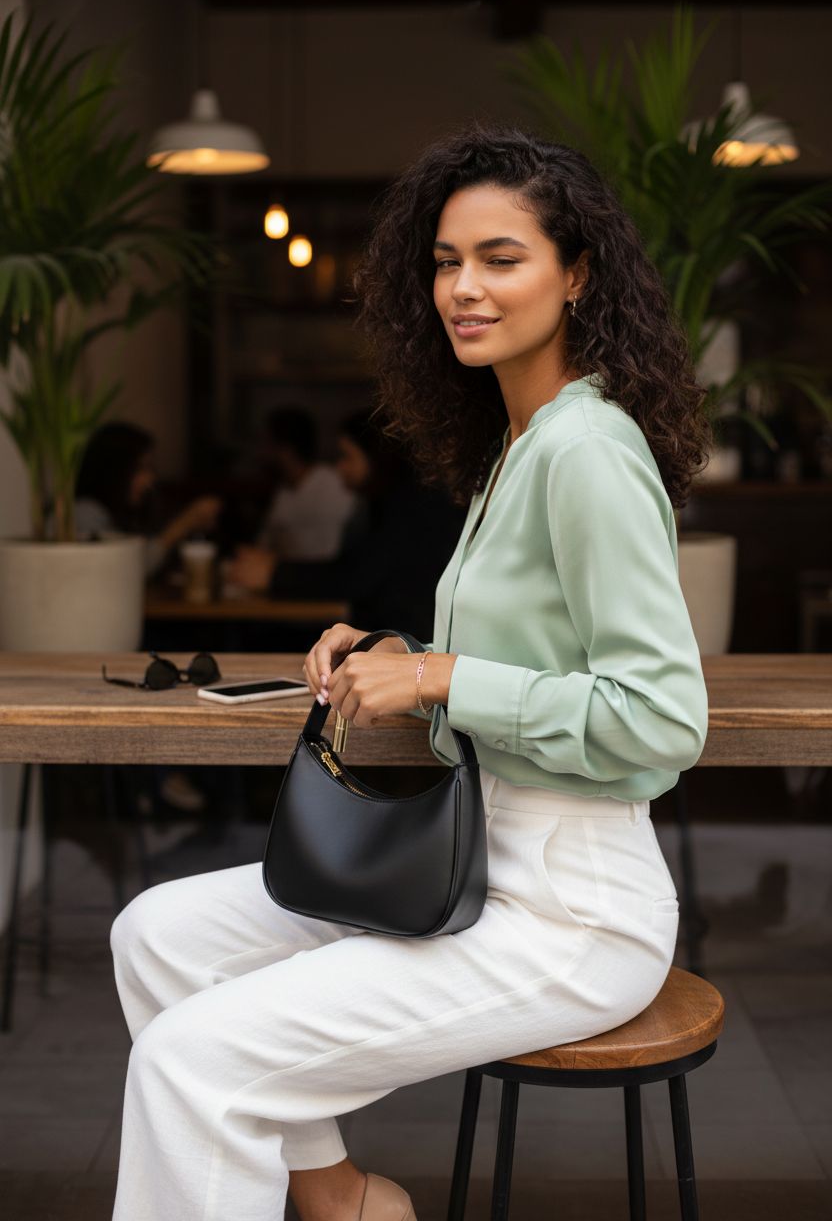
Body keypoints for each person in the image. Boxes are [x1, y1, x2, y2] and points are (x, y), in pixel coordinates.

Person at [109, 123, 711, 1221]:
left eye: (500, 258)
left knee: (192, 1060)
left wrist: (437, 679)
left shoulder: (584, 450)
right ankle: (341, 1199)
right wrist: (396, 660)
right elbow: (520, 666)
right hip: (472, 865)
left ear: (576, 275)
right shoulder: (519, 446)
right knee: (154, 936)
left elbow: (661, 722)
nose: (462, 289)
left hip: (570, 912)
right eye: (445, 261)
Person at [229, 408, 466, 642]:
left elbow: (355, 578)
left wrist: (274, 573)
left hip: (411, 644)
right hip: (396, 638)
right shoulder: (384, 501)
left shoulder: (411, 504)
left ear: (374, 457)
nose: (340, 467)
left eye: (346, 456)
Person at [75, 421, 221, 576]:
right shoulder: (84, 513)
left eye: (150, 469)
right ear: (112, 470)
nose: (149, 480)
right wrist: (184, 523)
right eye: (140, 468)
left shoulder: (130, 512)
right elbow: (126, 571)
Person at [255, 406, 357, 560]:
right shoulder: (284, 491)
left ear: (285, 450)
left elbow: (330, 557)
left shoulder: (334, 487)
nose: (259, 453)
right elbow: (264, 548)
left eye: (265, 443)